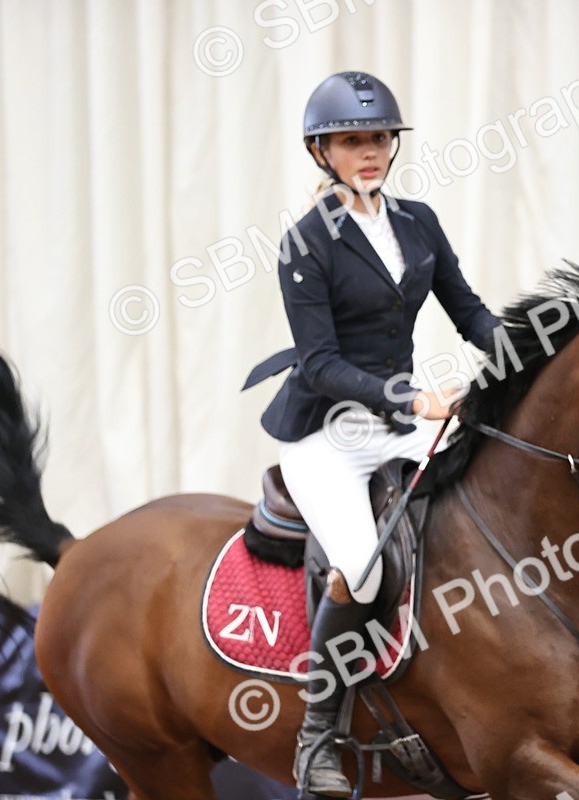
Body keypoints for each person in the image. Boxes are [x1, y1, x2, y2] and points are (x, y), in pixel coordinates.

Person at [245, 71, 502, 797]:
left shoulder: (418, 221)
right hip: (326, 432)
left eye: (379, 138)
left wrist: (526, 350)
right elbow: (321, 364)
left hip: (397, 424)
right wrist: (411, 397)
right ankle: (317, 734)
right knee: (360, 566)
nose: (370, 151)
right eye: (352, 140)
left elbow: (469, 310)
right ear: (322, 151)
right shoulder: (306, 242)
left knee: (474, 516)